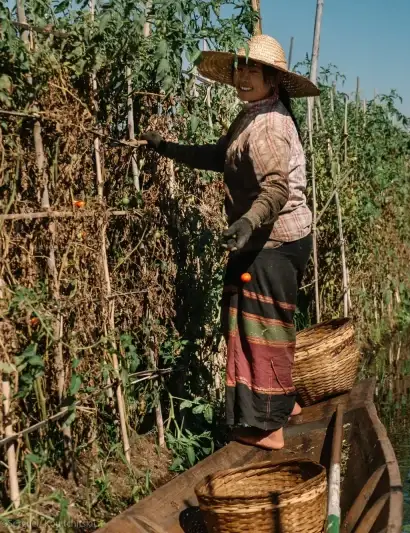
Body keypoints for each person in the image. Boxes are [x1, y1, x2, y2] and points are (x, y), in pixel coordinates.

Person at [138, 33, 319, 450]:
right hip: (272, 239)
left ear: (273, 79)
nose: (243, 76)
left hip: (273, 239)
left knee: (259, 327)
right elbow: (218, 156)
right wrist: (165, 147)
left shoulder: (270, 125)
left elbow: (275, 190)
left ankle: (266, 428)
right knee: (265, 322)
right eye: (240, 68)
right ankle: (282, 404)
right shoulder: (253, 115)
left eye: (253, 70)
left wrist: (248, 222)